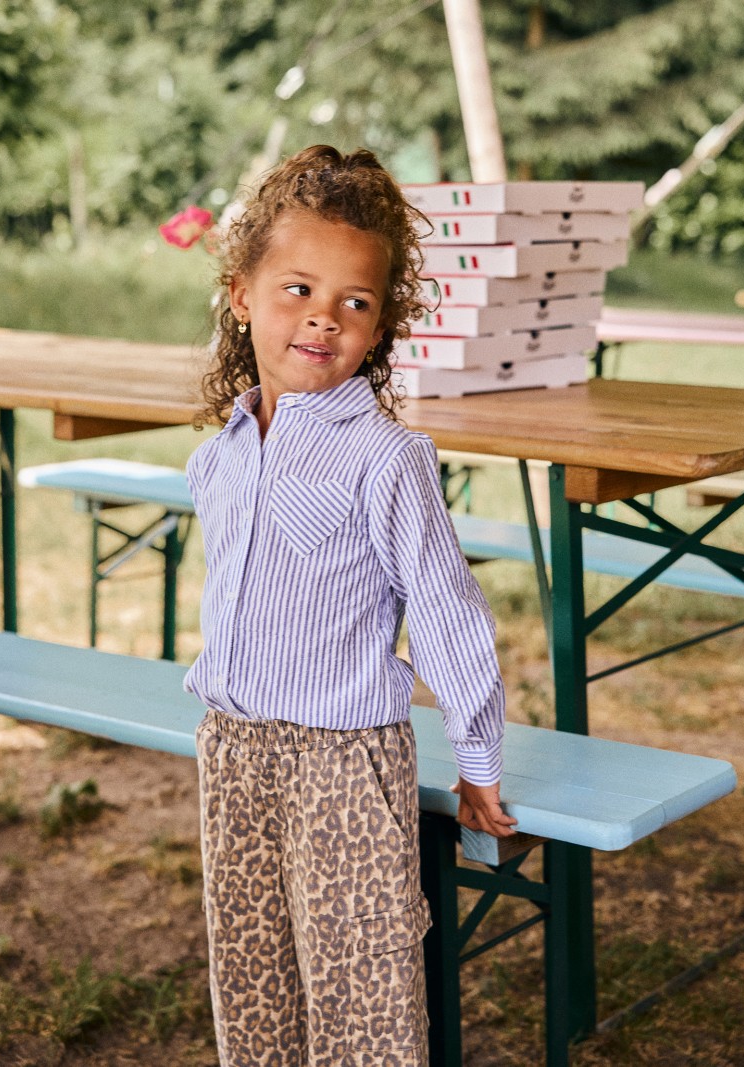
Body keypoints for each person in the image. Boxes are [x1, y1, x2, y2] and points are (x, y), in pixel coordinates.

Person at [184, 144, 517, 1067]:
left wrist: (478, 757)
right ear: (243, 292)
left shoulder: (386, 459)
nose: (323, 318)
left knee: (362, 995)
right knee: (252, 981)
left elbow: (447, 612)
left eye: (355, 303)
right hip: (234, 745)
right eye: (298, 289)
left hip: (344, 763)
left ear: (380, 327)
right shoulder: (220, 455)